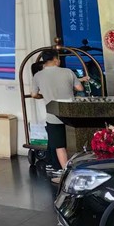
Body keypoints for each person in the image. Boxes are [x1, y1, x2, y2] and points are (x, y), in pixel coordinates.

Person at [31, 49, 84, 183]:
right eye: (58, 58)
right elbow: (80, 88)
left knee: (60, 146)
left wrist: (44, 96)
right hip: (71, 113)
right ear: (55, 59)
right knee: (78, 142)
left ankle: (66, 173)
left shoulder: (38, 76)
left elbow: (33, 94)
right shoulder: (67, 71)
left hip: (53, 113)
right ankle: (83, 168)